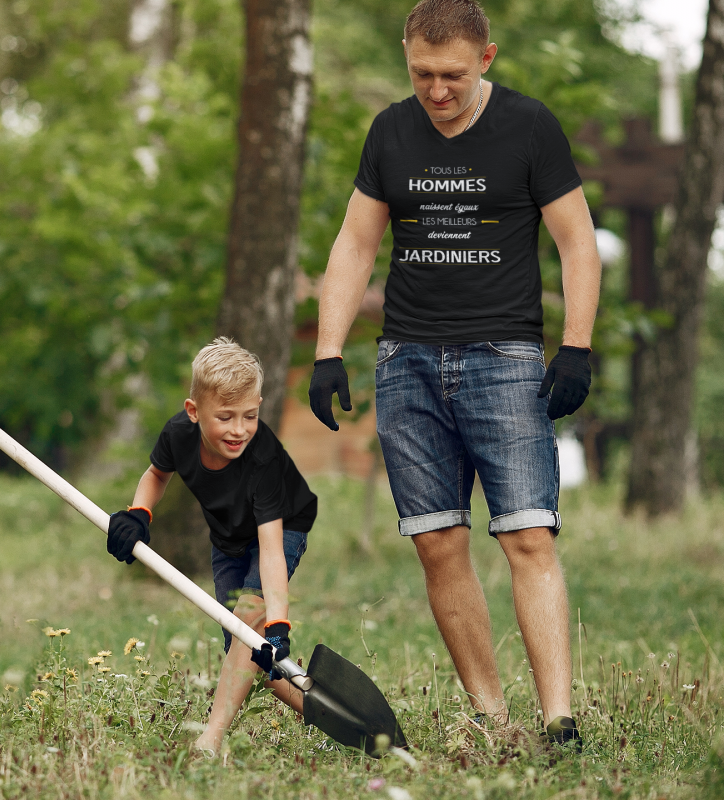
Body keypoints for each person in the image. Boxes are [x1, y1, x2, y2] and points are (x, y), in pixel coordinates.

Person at [308, 0, 600, 749]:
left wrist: (576, 346)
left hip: (502, 361)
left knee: (527, 536)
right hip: (406, 363)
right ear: (406, 58)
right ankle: (491, 718)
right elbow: (353, 244)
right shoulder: (390, 131)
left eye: (453, 76)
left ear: (487, 60)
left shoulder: (529, 128)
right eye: (422, 74)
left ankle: (559, 721)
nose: (437, 90)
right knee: (438, 542)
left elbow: (577, 242)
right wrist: (328, 350)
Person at [107, 337, 317, 756]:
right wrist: (138, 514)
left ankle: (211, 739)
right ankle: (324, 714)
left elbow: (272, 549)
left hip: (282, 528)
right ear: (193, 412)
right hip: (227, 540)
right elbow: (156, 474)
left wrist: (278, 622)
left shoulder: (263, 461)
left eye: (250, 416)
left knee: (251, 619)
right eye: (225, 417)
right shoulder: (178, 436)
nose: (239, 429)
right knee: (248, 653)